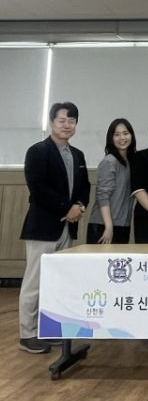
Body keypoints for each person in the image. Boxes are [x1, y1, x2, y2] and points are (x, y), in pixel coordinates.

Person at [18, 102, 90, 353]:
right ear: (51, 122)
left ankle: (47, 329)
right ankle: (27, 334)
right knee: (35, 282)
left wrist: (79, 206)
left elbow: (84, 187)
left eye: (72, 121)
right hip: (43, 227)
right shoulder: (38, 151)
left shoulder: (78, 155)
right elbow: (37, 188)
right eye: (62, 120)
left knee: (56, 283)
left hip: (67, 229)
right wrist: (66, 209)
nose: (67, 125)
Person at [87, 118, 136, 244]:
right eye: (117, 134)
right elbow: (102, 196)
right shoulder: (109, 161)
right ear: (111, 138)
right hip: (104, 226)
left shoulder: (130, 162)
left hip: (122, 225)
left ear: (131, 135)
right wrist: (109, 227)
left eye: (125, 133)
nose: (122, 138)